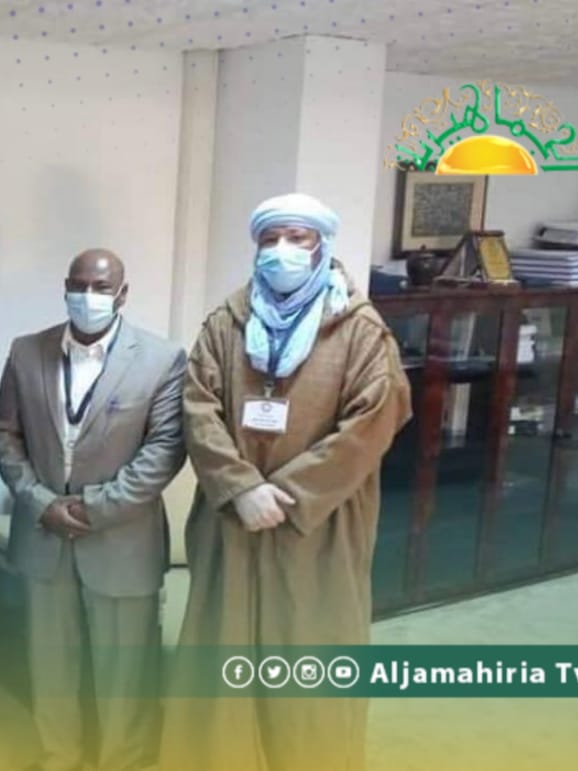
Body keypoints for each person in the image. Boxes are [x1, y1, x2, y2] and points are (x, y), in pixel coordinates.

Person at [161, 193, 413, 771]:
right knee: (223, 657)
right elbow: (197, 408)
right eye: (270, 240)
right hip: (233, 520)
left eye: (297, 238)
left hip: (321, 526)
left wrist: (290, 495)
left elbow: (375, 420)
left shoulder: (360, 329)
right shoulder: (226, 324)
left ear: (322, 246)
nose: (282, 251)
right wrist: (241, 487)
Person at [0, 249, 188, 771]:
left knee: (125, 676)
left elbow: (164, 450)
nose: (88, 297)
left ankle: (124, 761)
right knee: (51, 668)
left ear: (123, 294)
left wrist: (93, 509)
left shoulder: (162, 359)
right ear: (64, 287)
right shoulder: (26, 352)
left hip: (122, 540)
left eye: (101, 288)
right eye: (79, 285)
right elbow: (6, 435)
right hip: (44, 536)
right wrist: (41, 503)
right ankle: (60, 756)